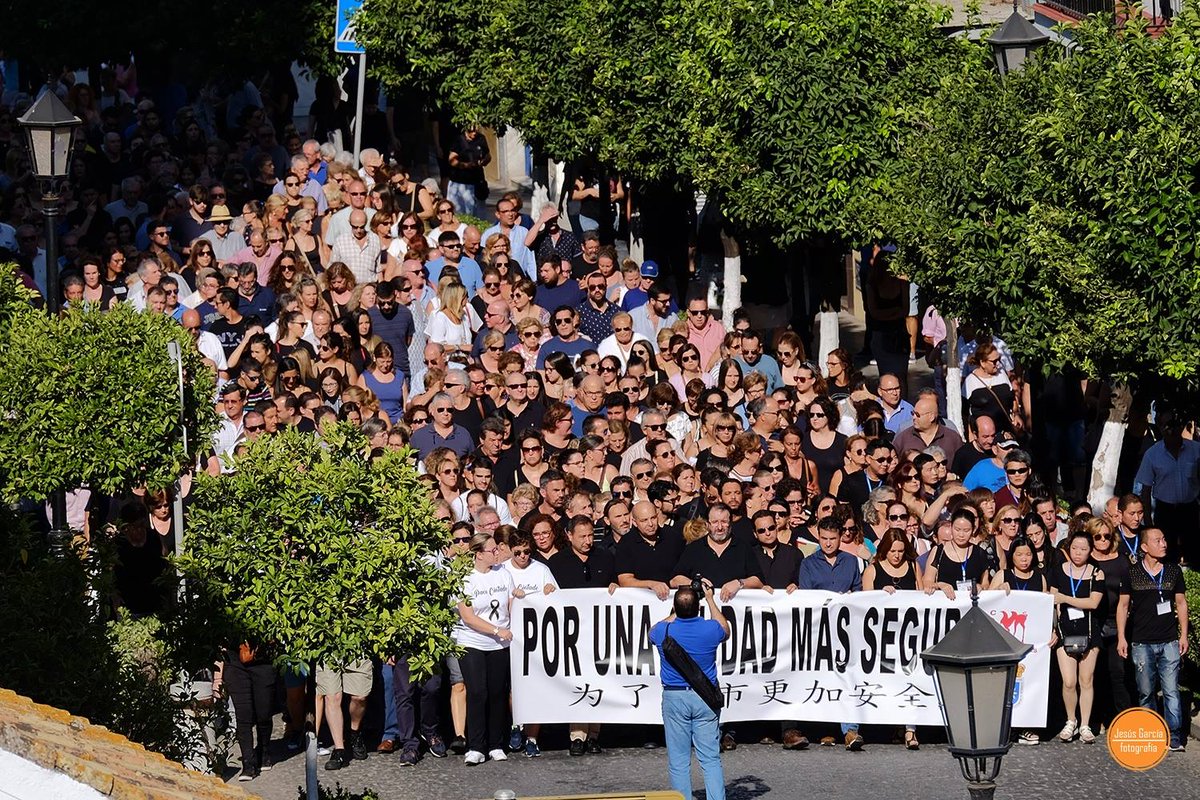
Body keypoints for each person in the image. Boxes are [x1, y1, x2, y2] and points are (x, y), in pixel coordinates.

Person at [649, 584, 730, 800]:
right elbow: (725, 628)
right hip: (705, 697)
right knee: (710, 758)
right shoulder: (711, 629)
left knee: (678, 760)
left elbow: (652, 630)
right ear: (699, 606)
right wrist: (711, 599)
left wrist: (675, 612)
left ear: (675, 607)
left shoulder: (663, 631)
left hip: (675, 697)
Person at [1117, 527, 1190, 752]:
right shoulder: (1132, 573)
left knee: (1171, 689)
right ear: (1145, 547)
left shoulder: (1173, 571)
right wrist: (1122, 637)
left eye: (1164, 539)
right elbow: (1123, 605)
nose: (1164, 543)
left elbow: (1181, 603)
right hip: (1142, 641)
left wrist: (1183, 635)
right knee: (1146, 691)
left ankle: (1174, 735)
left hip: (1168, 640)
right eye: (1158, 540)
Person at [797, 515, 865, 749]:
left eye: (832, 539)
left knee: (848, 677)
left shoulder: (851, 561)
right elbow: (806, 597)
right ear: (818, 536)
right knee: (821, 678)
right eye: (824, 538)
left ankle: (851, 730)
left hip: (846, 629)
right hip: (819, 629)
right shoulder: (808, 563)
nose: (828, 543)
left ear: (840, 537)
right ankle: (825, 729)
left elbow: (859, 592)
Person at [455, 531, 521, 765]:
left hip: (500, 644)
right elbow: (468, 617)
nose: (497, 553)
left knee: (497, 692)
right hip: (473, 641)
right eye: (493, 550)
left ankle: (496, 744)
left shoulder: (503, 573)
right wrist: (495, 630)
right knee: (477, 692)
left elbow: (512, 605)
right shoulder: (464, 577)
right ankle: (476, 746)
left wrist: (523, 598)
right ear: (478, 554)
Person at [1049, 531, 1103, 744]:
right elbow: (1052, 602)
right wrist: (1052, 628)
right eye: (1074, 548)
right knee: (1069, 681)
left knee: (1086, 680)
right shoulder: (1058, 571)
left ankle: (1085, 724)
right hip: (1064, 631)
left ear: (1090, 551)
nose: (1078, 553)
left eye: (1083, 549)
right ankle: (1070, 720)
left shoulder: (1096, 573)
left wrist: (1066, 598)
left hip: (1089, 631)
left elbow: (1093, 603)